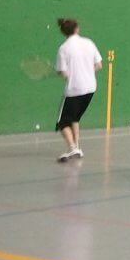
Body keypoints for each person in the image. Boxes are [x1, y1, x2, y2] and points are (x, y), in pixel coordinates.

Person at [54, 18, 103, 162]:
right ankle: (76, 147)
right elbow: (99, 65)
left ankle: (72, 147)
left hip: (74, 89)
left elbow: (63, 73)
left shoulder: (63, 48)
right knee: (75, 118)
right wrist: (87, 72)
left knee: (62, 123)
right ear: (77, 28)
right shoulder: (89, 43)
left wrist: (65, 73)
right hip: (90, 88)